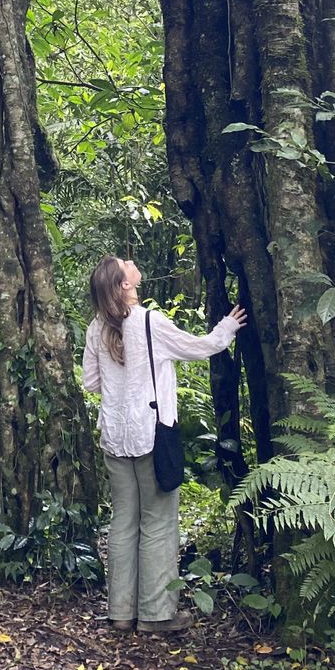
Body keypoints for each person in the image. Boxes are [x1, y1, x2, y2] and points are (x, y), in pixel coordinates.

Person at [81, 256, 246, 634]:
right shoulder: (149, 323)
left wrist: (121, 387)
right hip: (151, 435)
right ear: (125, 285)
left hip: (115, 437)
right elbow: (200, 347)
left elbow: (91, 382)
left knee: (123, 523)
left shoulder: (96, 328)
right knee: (157, 523)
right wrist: (228, 325)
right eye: (125, 265)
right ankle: (155, 614)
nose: (132, 262)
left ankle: (121, 613)